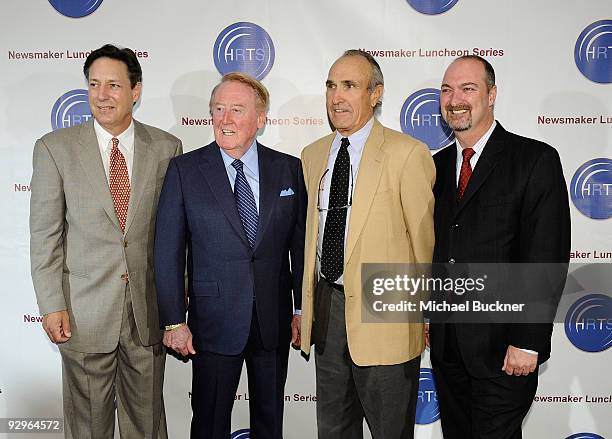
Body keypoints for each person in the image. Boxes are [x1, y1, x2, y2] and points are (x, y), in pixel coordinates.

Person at [30, 44, 182, 438]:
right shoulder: (54, 149)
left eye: (114, 85)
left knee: (146, 426)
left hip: (146, 314)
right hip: (83, 314)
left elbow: (175, 238)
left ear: (136, 91)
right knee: (88, 428)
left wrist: (175, 310)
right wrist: (51, 305)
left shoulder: (167, 148)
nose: (102, 94)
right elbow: (45, 237)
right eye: (94, 84)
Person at [154, 72, 305, 439]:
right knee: (209, 422)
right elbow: (167, 250)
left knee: (270, 422)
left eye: (236, 110)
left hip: (273, 320)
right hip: (213, 322)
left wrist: (302, 310)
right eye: (218, 109)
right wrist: (174, 320)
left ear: (260, 119)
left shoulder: (288, 168)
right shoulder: (185, 170)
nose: (225, 119)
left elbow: (300, 247)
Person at [427, 55, 571, 439]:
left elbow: (547, 255)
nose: (455, 99)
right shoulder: (435, 168)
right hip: (448, 350)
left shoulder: (534, 159)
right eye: (446, 90)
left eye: (467, 88)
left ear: (492, 95)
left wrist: (527, 340)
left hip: (505, 350)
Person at [297, 49, 435, 438]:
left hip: (385, 311)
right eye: (331, 85)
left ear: (376, 94)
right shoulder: (312, 155)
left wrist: (426, 316)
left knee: (390, 430)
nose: (336, 96)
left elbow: (426, 248)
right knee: (334, 429)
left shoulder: (408, 154)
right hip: (328, 308)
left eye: (350, 86)